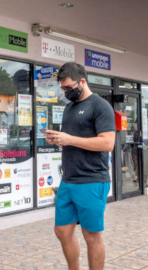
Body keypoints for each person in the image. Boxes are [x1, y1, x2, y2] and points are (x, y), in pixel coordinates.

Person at [45, 62, 115, 270]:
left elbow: (107, 143)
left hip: (92, 180)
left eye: (69, 88)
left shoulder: (100, 106)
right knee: (62, 231)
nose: (66, 93)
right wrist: (58, 139)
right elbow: (72, 139)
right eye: (63, 89)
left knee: (91, 236)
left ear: (82, 81)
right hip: (69, 180)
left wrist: (69, 139)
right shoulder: (69, 108)